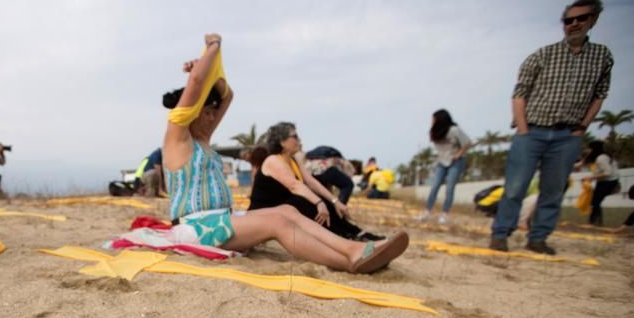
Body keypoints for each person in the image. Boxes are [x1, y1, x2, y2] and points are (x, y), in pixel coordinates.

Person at [161, 34, 407, 274]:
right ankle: (349, 261)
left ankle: (355, 248)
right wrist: (213, 47)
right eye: (207, 112)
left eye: (214, 112)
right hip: (196, 227)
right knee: (277, 223)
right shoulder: (178, 137)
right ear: (192, 112)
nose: (213, 117)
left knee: (288, 212)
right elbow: (195, 84)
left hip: (220, 221)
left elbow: (228, 96)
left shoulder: (203, 139)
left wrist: (209, 77)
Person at [489, 0, 614, 255]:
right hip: (532, 130)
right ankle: (501, 234)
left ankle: (539, 238)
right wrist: (523, 129)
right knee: (514, 188)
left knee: (553, 190)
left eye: (581, 18)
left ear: (593, 20)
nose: (574, 24)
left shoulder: (602, 57)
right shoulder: (543, 55)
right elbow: (520, 92)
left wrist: (582, 128)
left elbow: (600, 95)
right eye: (569, 20)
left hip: (568, 134)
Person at [250, 123, 384, 242]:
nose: (299, 140)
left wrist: (335, 201)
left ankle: (355, 233)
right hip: (261, 213)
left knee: (318, 199)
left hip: (282, 209)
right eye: (295, 136)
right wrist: (318, 203)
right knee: (304, 201)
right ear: (282, 142)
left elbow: (311, 181)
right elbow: (295, 186)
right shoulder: (273, 160)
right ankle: (344, 237)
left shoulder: (293, 160)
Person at [419, 109, 472, 224]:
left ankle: (444, 214)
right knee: (434, 187)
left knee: (450, 188)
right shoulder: (434, 132)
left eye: (434, 119)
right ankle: (426, 212)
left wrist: (459, 153)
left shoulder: (454, 130)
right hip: (441, 162)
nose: (432, 121)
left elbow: (468, 143)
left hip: (455, 161)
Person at [580, 140, 620, 226]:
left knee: (595, 202)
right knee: (595, 202)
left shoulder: (601, 158)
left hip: (608, 182)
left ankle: (594, 223)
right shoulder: (604, 157)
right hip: (606, 182)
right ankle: (596, 223)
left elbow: (607, 173)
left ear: (593, 149)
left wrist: (590, 178)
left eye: (589, 148)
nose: (587, 151)